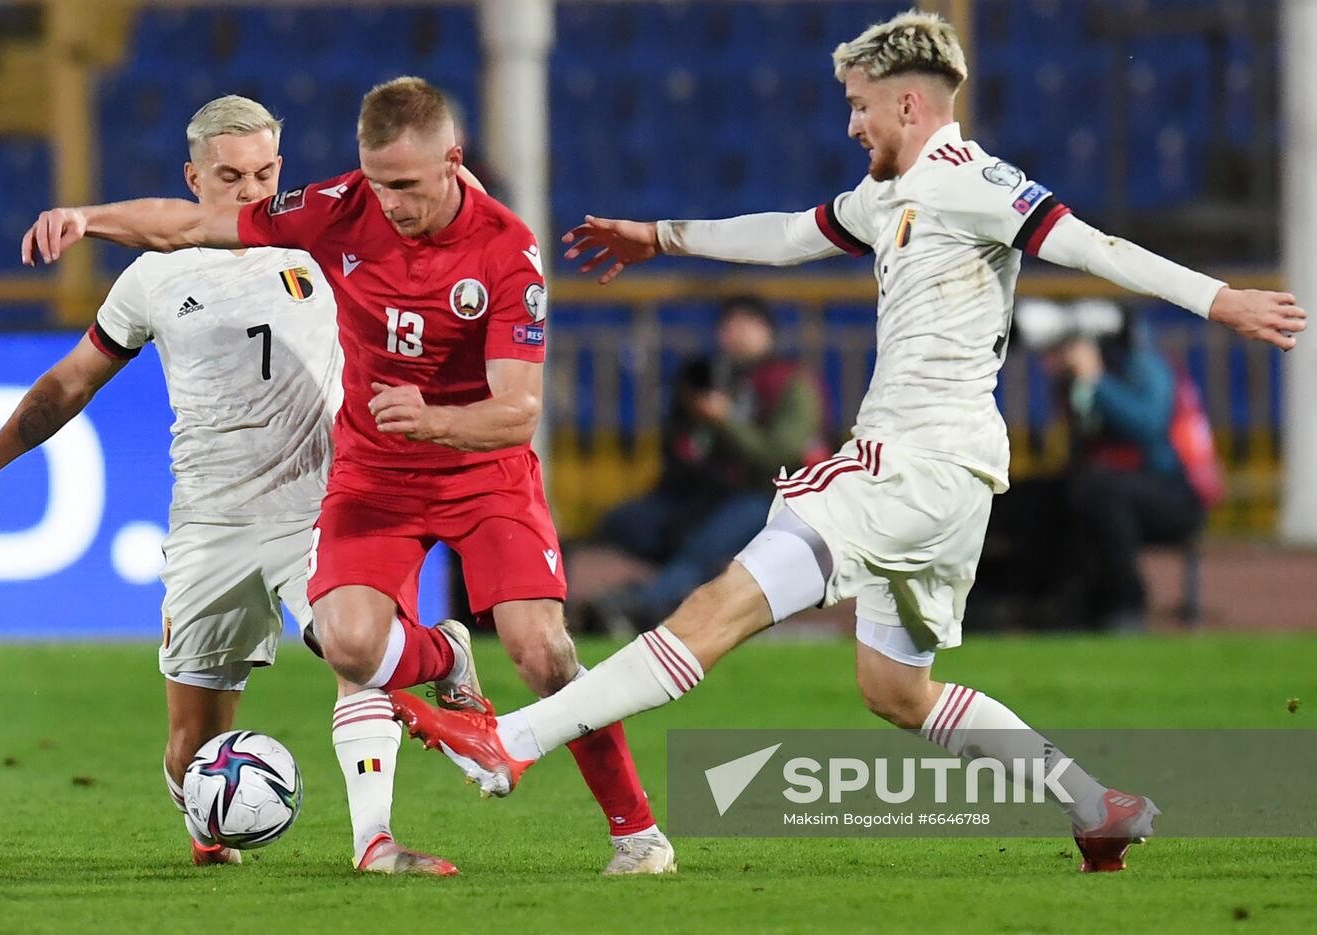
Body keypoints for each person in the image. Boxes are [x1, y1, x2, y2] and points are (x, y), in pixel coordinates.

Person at [380, 11, 1306, 874]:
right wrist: (660, 236)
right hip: (953, 485)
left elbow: (1094, 246)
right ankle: (1091, 802)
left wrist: (1218, 299)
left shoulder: (972, 179)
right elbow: (786, 235)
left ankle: (514, 741)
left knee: (718, 606)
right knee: (895, 689)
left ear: (909, 102)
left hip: (906, 460)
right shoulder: (887, 197)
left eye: (861, 108)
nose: (854, 127)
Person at [19, 77, 675, 875]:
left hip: (482, 470)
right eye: (376, 180)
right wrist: (88, 219)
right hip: (374, 477)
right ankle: (442, 671)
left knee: (542, 654)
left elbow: (517, 414)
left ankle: (636, 832)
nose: (388, 202)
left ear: (452, 164)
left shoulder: (507, 250)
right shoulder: (335, 208)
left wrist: (429, 416)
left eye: (404, 185)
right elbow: (190, 222)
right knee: (352, 645)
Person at [0, 95, 465, 874]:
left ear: (279, 170)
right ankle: (217, 823)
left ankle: (375, 839)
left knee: (355, 654)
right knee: (191, 751)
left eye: (263, 173)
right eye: (229, 175)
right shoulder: (153, 277)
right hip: (208, 524)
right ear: (193, 177)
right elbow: (72, 382)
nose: (250, 190)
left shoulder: (325, 246)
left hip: (319, 505)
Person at [584, 295, 827, 633]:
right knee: (627, 523)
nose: (736, 334)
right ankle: (665, 590)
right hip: (704, 491)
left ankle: (643, 606)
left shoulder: (791, 381)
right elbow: (683, 450)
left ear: (768, 332)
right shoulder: (711, 374)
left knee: (702, 545)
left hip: (768, 495)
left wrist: (724, 420)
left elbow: (778, 456)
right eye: (730, 325)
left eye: (747, 325)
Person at [980, 303, 1213, 631]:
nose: (1049, 363)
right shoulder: (1071, 384)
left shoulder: (1145, 367)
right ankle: (1029, 602)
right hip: (1111, 488)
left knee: (1098, 490)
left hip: (1175, 495)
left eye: (1060, 350)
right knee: (1025, 497)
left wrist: (1096, 381)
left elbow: (1147, 427)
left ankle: (1125, 604)